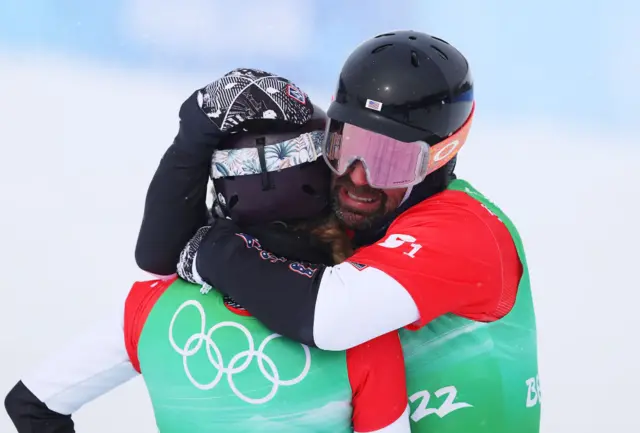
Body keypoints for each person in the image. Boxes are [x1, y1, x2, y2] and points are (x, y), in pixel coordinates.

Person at [135, 32, 542, 432]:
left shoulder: (467, 231)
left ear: (441, 156)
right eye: (346, 145)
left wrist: (211, 248)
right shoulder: (353, 203)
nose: (356, 178)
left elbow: (329, 319)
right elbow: (160, 255)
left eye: (391, 161)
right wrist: (195, 131)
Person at [3, 70, 411, 433]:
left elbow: (31, 405)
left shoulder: (150, 309)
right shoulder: (363, 329)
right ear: (323, 175)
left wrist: (193, 134)